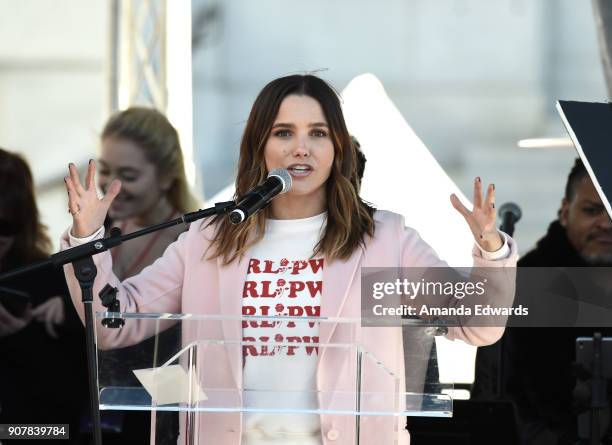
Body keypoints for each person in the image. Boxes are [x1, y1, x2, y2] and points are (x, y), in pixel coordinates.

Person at [62, 74, 518, 444]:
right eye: (284, 133)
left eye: (317, 134)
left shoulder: (385, 238)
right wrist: (87, 236)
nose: (301, 148)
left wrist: (491, 251)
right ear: (260, 145)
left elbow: (476, 324)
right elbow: (110, 323)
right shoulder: (208, 238)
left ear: (336, 147)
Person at [93, 107, 200, 444]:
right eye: (105, 170)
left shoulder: (192, 240)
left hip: (163, 415)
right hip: (101, 408)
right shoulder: (103, 232)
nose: (113, 186)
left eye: (129, 175)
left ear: (167, 176)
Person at [504, 158, 612, 444]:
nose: (605, 223)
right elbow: (540, 399)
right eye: (591, 210)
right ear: (565, 212)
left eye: (611, 209)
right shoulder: (533, 279)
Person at [0, 148, 86, 444]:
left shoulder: (50, 279)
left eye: (5, 226)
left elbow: (68, 414)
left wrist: (24, 336)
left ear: (23, 223)